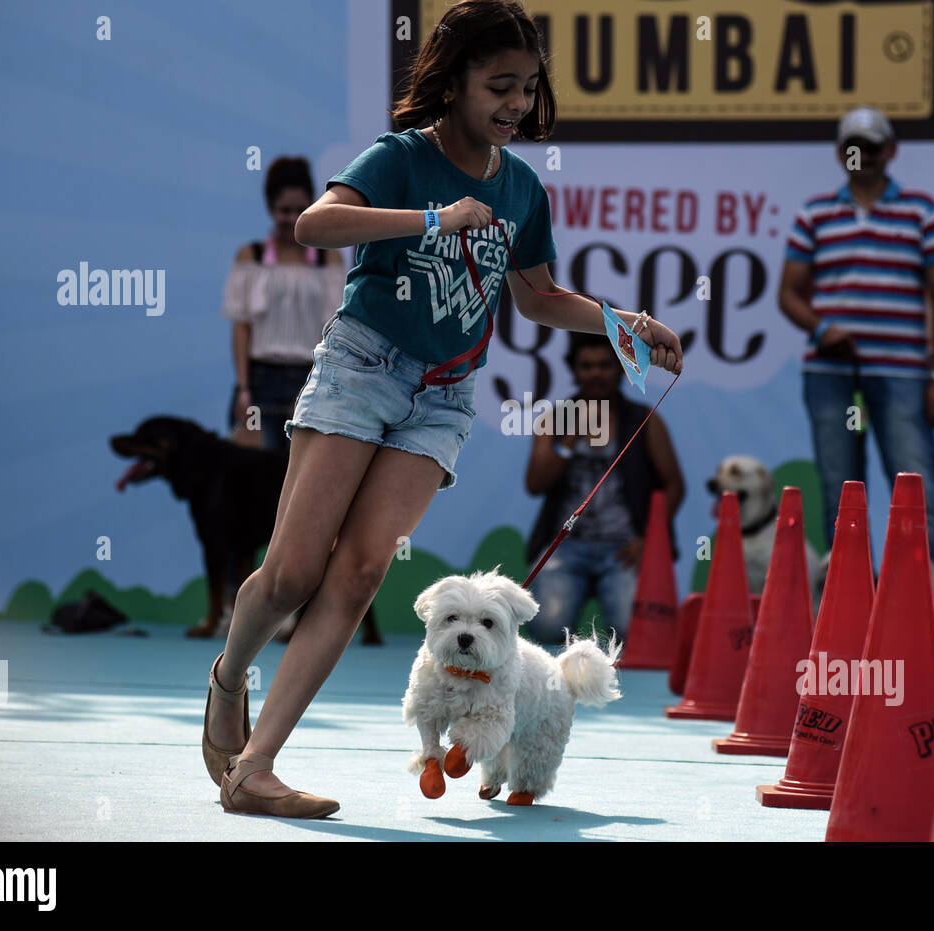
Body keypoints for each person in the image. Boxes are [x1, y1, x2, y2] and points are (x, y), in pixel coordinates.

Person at [200, 0, 684, 818]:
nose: (516, 106)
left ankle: (255, 767)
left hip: (446, 395)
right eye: (499, 85)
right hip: (362, 367)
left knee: (358, 574)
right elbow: (318, 225)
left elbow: (535, 297)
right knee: (290, 574)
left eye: (528, 90)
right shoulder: (401, 158)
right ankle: (227, 678)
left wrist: (619, 320)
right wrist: (436, 217)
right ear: (452, 80)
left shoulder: (523, 187)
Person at [777, 106, 934, 666]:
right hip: (830, 374)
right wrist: (821, 327)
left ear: (892, 151)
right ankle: (848, 625)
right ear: (842, 152)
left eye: (874, 144)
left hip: (904, 374)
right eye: (854, 144)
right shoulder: (815, 214)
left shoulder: (921, 213)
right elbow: (789, 292)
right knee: (843, 499)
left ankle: (933, 623)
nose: (864, 153)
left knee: (917, 496)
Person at [524, 332, 684, 645]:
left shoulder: (645, 420)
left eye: (604, 365)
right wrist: (569, 441)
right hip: (565, 545)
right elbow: (535, 484)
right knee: (545, 627)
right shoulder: (554, 419)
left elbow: (674, 485)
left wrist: (649, 540)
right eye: (586, 366)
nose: (595, 373)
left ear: (620, 369)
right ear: (574, 370)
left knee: (632, 631)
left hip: (624, 549)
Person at [222, 156, 348, 451]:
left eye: (300, 210)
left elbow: (334, 331)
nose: (292, 218)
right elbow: (241, 328)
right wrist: (243, 388)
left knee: (299, 490)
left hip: (309, 379)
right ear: (269, 207)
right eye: (284, 210)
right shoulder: (249, 256)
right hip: (258, 383)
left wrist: (315, 388)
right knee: (253, 486)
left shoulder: (329, 258)